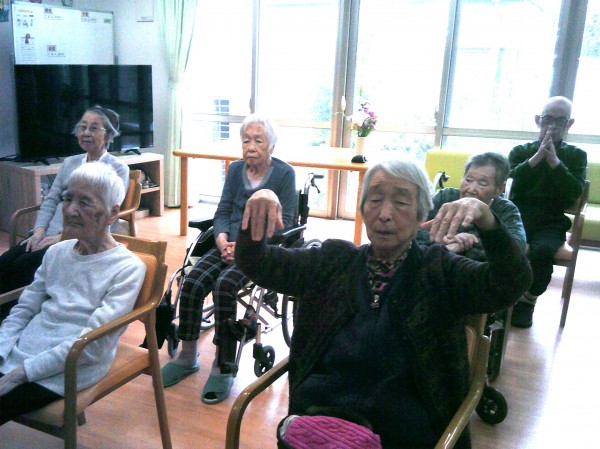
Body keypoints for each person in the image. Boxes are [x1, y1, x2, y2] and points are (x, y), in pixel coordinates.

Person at [235, 158, 531, 449]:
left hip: (403, 430)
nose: (385, 214)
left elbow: (511, 284)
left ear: (421, 214)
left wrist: (489, 223)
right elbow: (256, 262)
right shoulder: (332, 261)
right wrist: (261, 199)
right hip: (321, 421)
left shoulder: (440, 270)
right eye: (375, 200)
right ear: (363, 210)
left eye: (401, 202)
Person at [160, 113, 298, 404]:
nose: (251, 146)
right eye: (246, 140)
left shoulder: (285, 174)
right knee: (192, 281)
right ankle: (187, 356)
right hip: (226, 245)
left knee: (224, 286)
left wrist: (247, 245)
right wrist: (222, 239)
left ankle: (222, 364)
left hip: (258, 250)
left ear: (272, 146)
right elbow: (222, 211)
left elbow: (284, 223)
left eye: (258, 140)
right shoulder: (235, 170)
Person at [0, 162, 146, 423]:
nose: (70, 210)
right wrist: (1, 349)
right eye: (67, 199)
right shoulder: (56, 252)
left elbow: (92, 347)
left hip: (69, 367)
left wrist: (21, 373)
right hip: (21, 352)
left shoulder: (127, 268)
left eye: (85, 202)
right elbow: (24, 309)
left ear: (112, 213)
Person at [0, 105, 129, 298]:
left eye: (94, 128)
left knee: (22, 268)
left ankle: (10, 310)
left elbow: (104, 216)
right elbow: (51, 200)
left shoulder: (117, 169)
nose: (86, 133)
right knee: (4, 262)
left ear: (109, 135)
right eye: (82, 127)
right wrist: (38, 231)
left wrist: (62, 237)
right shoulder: (70, 163)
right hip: (46, 234)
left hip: (79, 239)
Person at [508, 96, 587, 328]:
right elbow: (509, 185)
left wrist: (554, 161)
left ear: (569, 124)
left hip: (551, 220)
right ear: (537, 120)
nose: (552, 126)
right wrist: (536, 158)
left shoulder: (576, 155)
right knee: (500, 243)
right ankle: (503, 295)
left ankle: (528, 301)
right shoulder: (520, 151)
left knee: (542, 252)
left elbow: (574, 193)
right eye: (547, 119)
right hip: (517, 214)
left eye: (560, 121)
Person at [416, 152, 526, 261]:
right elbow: (413, 228)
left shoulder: (506, 210)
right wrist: (445, 240)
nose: (471, 189)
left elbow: (516, 249)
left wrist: (466, 244)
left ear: (499, 189)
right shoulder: (445, 196)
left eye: (482, 184)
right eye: (468, 180)